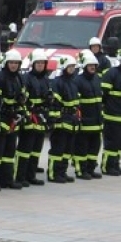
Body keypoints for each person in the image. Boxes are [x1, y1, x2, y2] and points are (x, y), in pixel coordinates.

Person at [0, 49, 26, 190]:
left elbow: (23, 96)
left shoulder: (19, 78)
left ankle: (7, 180)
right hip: (2, 117)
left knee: (10, 152)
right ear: (6, 63)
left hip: (13, 118)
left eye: (16, 63)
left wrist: (21, 108)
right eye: (11, 62)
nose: (13, 65)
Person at [17, 50, 52, 186]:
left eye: (43, 63)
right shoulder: (26, 78)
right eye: (38, 63)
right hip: (30, 117)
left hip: (41, 118)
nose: (40, 65)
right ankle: (20, 177)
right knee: (25, 150)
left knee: (36, 150)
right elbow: (22, 99)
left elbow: (48, 95)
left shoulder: (45, 79)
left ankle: (31, 176)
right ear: (33, 64)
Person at [100, 47, 121, 176]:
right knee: (111, 143)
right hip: (112, 116)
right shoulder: (111, 74)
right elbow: (104, 95)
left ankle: (115, 164)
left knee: (120, 143)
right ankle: (107, 166)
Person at [48, 55, 81, 183]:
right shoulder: (57, 82)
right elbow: (54, 103)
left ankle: (62, 172)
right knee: (58, 149)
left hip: (71, 120)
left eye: (73, 67)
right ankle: (53, 174)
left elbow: (76, 101)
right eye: (70, 67)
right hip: (61, 121)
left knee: (67, 150)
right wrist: (56, 120)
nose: (72, 69)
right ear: (63, 67)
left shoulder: (73, 82)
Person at [73, 50, 104, 180]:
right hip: (85, 122)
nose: (92, 67)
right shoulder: (78, 80)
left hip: (96, 122)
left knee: (94, 147)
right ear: (84, 66)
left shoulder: (97, 79)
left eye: (94, 65)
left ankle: (90, 169)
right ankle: (81, 170)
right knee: (82, 148)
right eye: (90, 65)